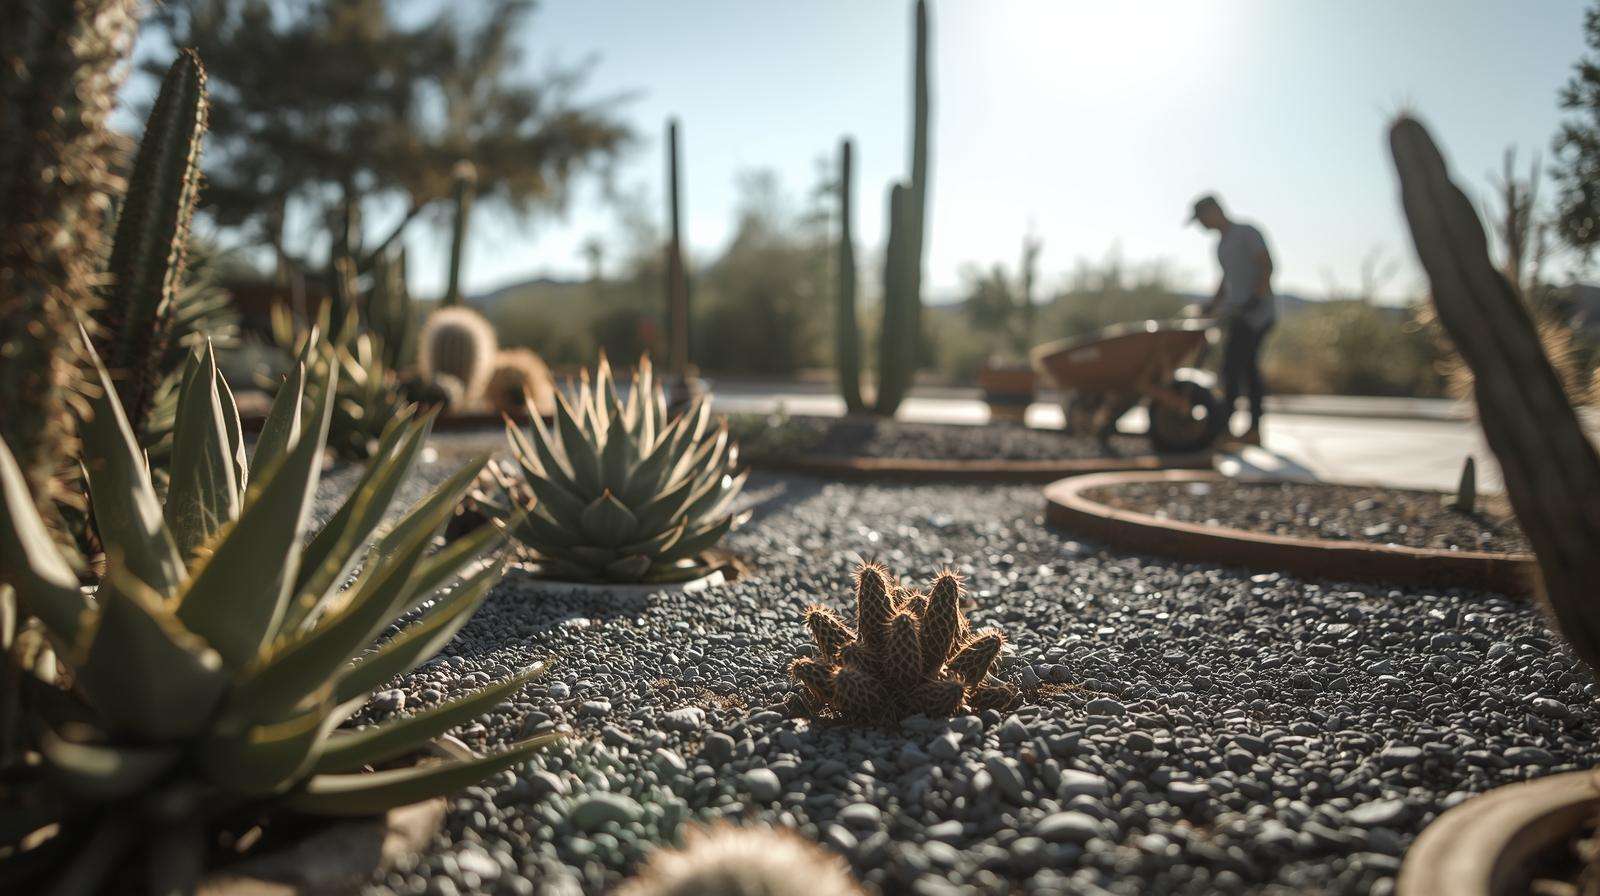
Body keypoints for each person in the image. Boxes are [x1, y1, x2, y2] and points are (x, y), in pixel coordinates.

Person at [1190, 193, 1275, 445]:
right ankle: (1250, 429)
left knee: (1233, 367)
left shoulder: (1246, 233)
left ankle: (1228, 428)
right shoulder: (1221, 245)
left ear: (1213, 211)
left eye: (1201, 218)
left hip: (1257, 315)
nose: (1201, 224)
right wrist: (1213, 304)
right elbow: (1226, 280)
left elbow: (1266, 265)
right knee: (1245, 368)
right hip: (1237, 314)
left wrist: (1256, 298)